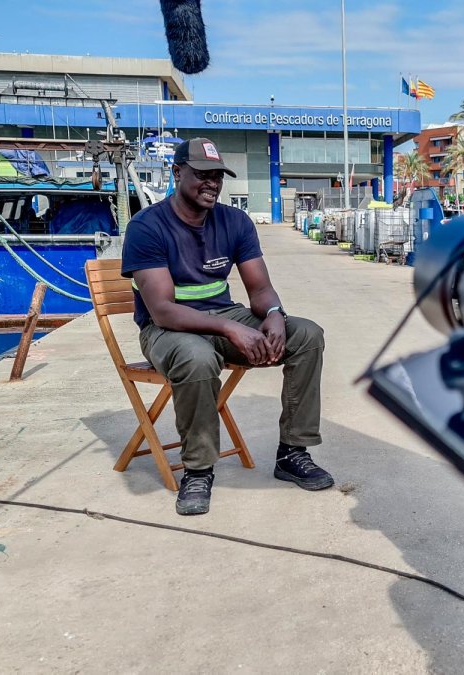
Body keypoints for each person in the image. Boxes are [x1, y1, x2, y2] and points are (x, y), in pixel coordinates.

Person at [121, 138, 333, 516]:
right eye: (202, 174)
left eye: (217, 175)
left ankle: (292, 452)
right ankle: (198, 469)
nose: (212, 183)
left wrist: (274, 315)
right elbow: (164, 311)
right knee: (197, 356)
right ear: (177, 172)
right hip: (167, 330)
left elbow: (261, 289)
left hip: (223, 316)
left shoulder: (234, 221)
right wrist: (231, 329)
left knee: (307, 335)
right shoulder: (147, 227)